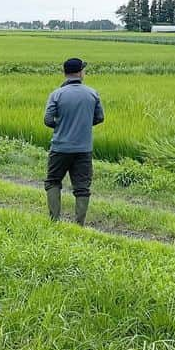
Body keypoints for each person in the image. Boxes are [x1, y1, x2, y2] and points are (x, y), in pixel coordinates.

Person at [43, 57, 104, 225]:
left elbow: (48, 119)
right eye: (83, 70)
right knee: (82, 187)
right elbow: (99, 117)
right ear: (80, 73)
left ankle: (54, 221)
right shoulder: (92, 93)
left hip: (60, 147)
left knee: (53, 181)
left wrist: (62, 126)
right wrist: (82, 125)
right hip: (83, 148)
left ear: (65, 73)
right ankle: (79, 224)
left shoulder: (57, 94)